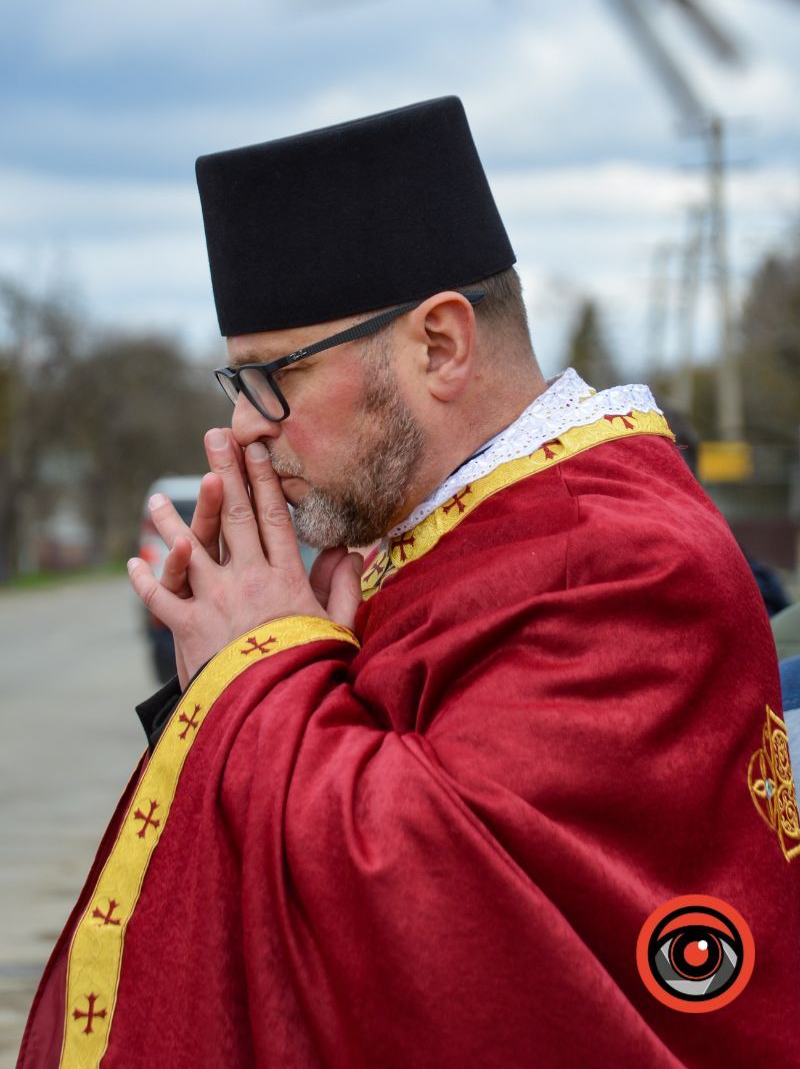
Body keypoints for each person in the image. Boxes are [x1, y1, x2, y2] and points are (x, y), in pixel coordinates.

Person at [18, 97, 800, 1068]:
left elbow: (443, 919)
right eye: (236, 382)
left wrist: (260, 675)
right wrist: (232, 683)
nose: (245, 427)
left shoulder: (624, 560)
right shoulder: (456, 528)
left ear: (439, 345)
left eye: (275, 375)